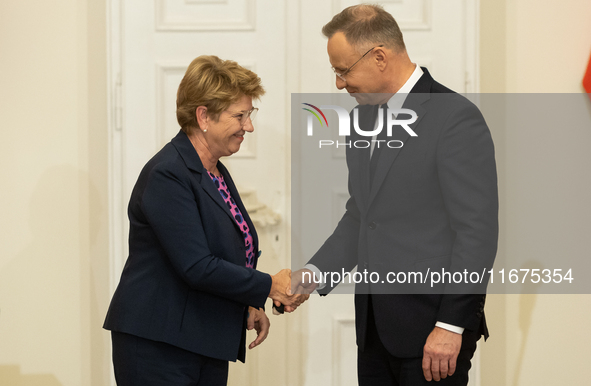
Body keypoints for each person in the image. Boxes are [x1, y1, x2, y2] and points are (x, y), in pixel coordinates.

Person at [291, 4, 498, 386]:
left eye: (343, 70)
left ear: (380, 57)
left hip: (432, 333)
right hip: (374, 332)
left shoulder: (454, 117)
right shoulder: (362, 118)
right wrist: (312, 274)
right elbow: (362, 215)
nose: (339, 83)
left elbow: (477, 233)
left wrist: (450, 325)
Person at [103, 55, 306, 386]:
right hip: (159, 345)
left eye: (250, 115)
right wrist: (269, 285)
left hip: (199, 340)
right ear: (203, 116)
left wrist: (248, 303)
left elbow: (225, 251)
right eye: (239, 116)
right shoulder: (168, 173)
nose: (249, 126)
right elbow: (197, 265)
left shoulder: (214, 171)